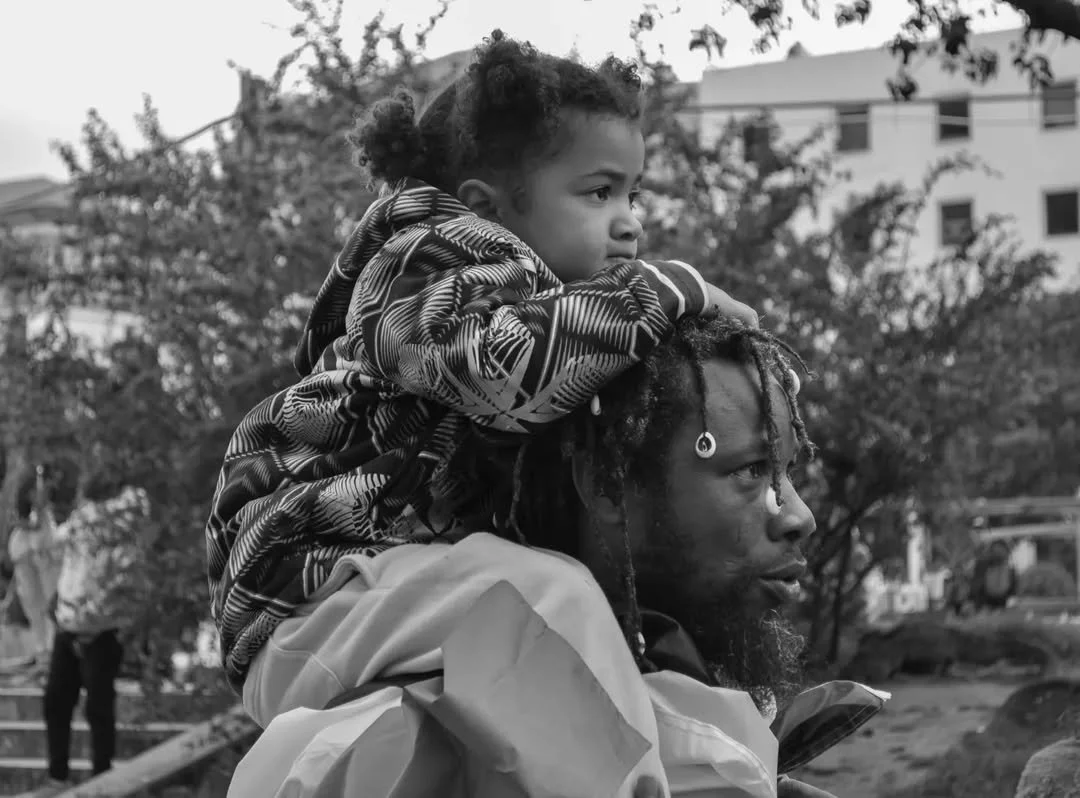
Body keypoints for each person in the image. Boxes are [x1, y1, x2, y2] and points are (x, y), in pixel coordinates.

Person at [207, 31, 760, 797]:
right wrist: (666, 291)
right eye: (599, 193)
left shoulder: (511, 291)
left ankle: (724, 768)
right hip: (310, 607)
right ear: (486, 208)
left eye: (633, 194)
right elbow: (497, 368)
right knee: (553, 599)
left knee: (599, 658)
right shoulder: (428, 258)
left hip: (380, 598)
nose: (630, 222)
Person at [228, 316, 865, 797]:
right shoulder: (391, 743)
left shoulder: (672, 702)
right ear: (607, 486)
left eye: (788, 471)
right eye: (751, 471)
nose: (800, 516)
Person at [34, 478, 150, 796]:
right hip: (69, 628)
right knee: (56, 701)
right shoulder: (80, 526)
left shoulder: (121, 535)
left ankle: (101, 775)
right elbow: (52, 546)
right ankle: (58, 775)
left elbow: (127, 586)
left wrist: (100, 618)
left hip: (101, 634)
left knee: (98, 706)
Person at [5, 467, 62, 673]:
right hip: (27, 561)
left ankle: (52, 651)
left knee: (50, 603)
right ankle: (41, 650)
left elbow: (47, 536)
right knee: (32, 603)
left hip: (45, 561)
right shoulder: (21, 521)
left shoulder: (47, 518)